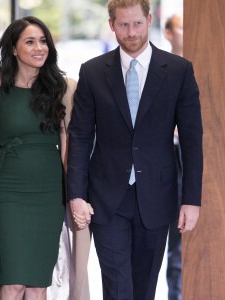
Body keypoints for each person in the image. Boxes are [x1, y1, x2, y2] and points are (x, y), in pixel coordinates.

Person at [67, 0, 203, 299]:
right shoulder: (92, 72)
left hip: (157, 196)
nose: (131, 32)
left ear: (149, 20)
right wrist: (76, 195)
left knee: (144, 289)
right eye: (124, 24)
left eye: (137, 23)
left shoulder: (179, 70)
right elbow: (79, 136)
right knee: (117, 287)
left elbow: (193, 140)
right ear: (112, 24)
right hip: (106, 199)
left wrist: (192, 200)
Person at [0, 16, 77, 300]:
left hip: (49, 194)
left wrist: (76, 197)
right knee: (12, 283)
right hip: (6, 193)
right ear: (13, 48)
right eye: (30, 41)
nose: (39, 47)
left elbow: (71, 148)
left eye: (44, 41)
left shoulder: (63, 88)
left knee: (37, 283)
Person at [165, 14, 184, 300]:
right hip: (169, 155)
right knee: (174, 243)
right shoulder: (162, 69)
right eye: (182, 27)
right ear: (168, 33)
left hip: (192, 156)